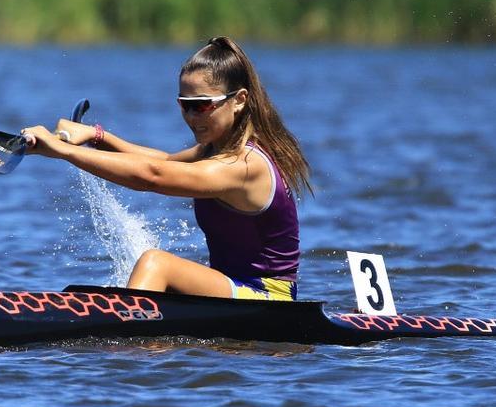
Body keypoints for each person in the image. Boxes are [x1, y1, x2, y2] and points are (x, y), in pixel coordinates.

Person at [21, 36, 311, 301]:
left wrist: (63, 150)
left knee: (156, 263)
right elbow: (164, 162)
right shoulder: (217, 151)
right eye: (184, 105)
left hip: (269, 299)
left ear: (239, 101)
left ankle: (123, 340)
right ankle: (131, 333)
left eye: (201, 106)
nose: (191, 116)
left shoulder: (245, 165)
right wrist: (97, 136)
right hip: (234, 288)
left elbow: (152, 176)